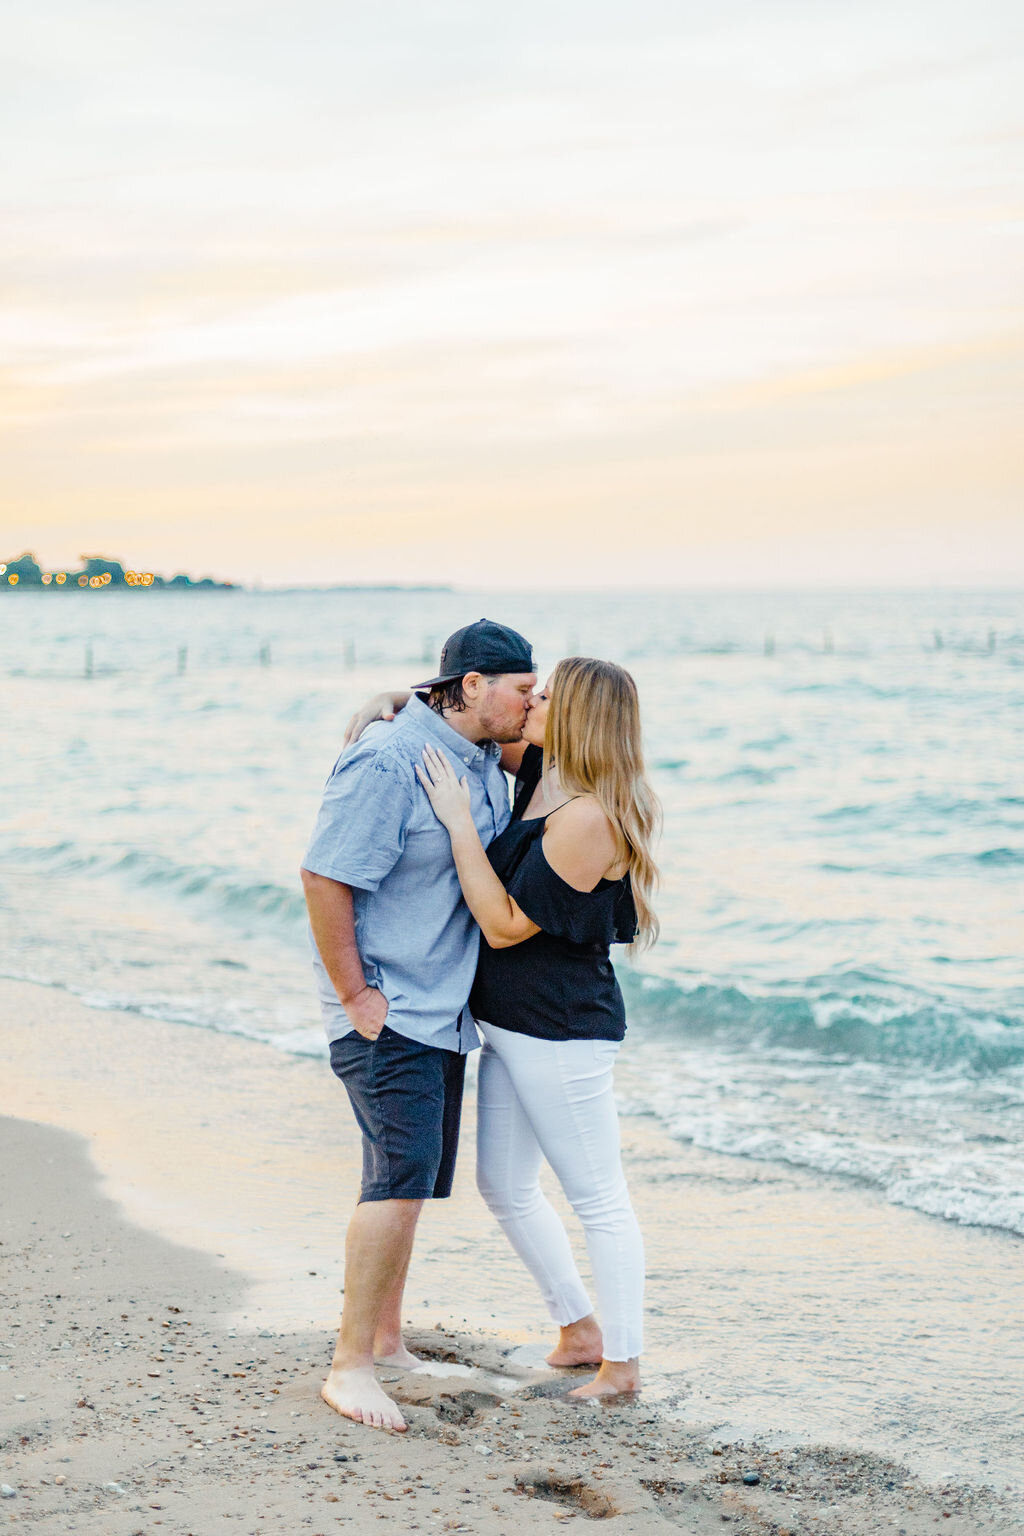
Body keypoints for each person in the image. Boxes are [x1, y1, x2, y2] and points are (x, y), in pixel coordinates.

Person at [355, 657, 660, 1399]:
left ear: (579, 714)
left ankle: (621, 1365)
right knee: (505, 1185)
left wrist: (459, 822)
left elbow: (501, 926)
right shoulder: (543, 772)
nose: (532, 700)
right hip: (512, 1028)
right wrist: (393, 700)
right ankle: (577, 1328)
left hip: (562, 1032)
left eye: (546, 694)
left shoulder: (589, 815)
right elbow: (469, 722)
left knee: (599, 1198)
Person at [300, 619, 536, 1432]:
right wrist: (358, 994)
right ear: (473, 686)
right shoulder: (388, 759)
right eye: (521, 688)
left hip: (443, 1010)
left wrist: (404, 692)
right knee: (396, 1181)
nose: (532, 702)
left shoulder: (478, 755)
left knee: (416, 1179)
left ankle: (389, 1342)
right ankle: (349, 1365)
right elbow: (325, 875)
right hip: (390, 1008)